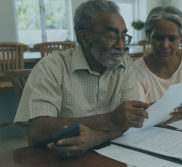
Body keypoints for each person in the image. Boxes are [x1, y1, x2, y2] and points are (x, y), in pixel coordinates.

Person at [14, 0, 149, 157]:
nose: (121, 45)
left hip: (113, 154)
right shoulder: (52, 67)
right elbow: (37, 132)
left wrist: (96, 138)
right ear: (85, 37)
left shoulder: (125, 64)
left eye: (124, 36)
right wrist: (110, 120)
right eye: (112, 36)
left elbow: (131, 120)